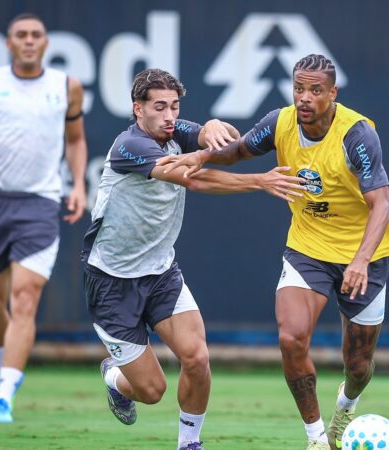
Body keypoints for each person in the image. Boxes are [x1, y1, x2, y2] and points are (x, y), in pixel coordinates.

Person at [158, 54, 389, 450]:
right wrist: (201, 155)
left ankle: (347, 402)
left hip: (364, 254)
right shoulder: (280, 121)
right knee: (291, 339)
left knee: (358, 365)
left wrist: (360, 261)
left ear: (333, 93)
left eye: (315, 90)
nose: (305, 98)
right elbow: (238, 151)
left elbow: (382, 204)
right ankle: (317, 438)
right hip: (308, 248)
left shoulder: (357, 134)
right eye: (299, 88)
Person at [82, 68, 305, 450]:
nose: (168, 116)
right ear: (138, 110)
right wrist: (258, 180)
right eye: (158, 107)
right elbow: (193, 178)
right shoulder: (128, 146)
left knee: (198, 358)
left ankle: (189, 444)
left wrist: (211, 128)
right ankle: (113, 378)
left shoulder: (174, 130)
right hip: (112, 282)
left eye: (174, 106)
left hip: (161, 274)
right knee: (151, 391)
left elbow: (199, 133)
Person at [0, 13, 88, 423]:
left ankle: (4, 392)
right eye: (20, 36)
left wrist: (77, 184)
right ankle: (5, 363)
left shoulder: (67, 87)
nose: (28, 41)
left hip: (41, 204)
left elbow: (76, 140)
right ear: (8, 43)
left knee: (24, 299)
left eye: (36, 35)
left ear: (46, 43)